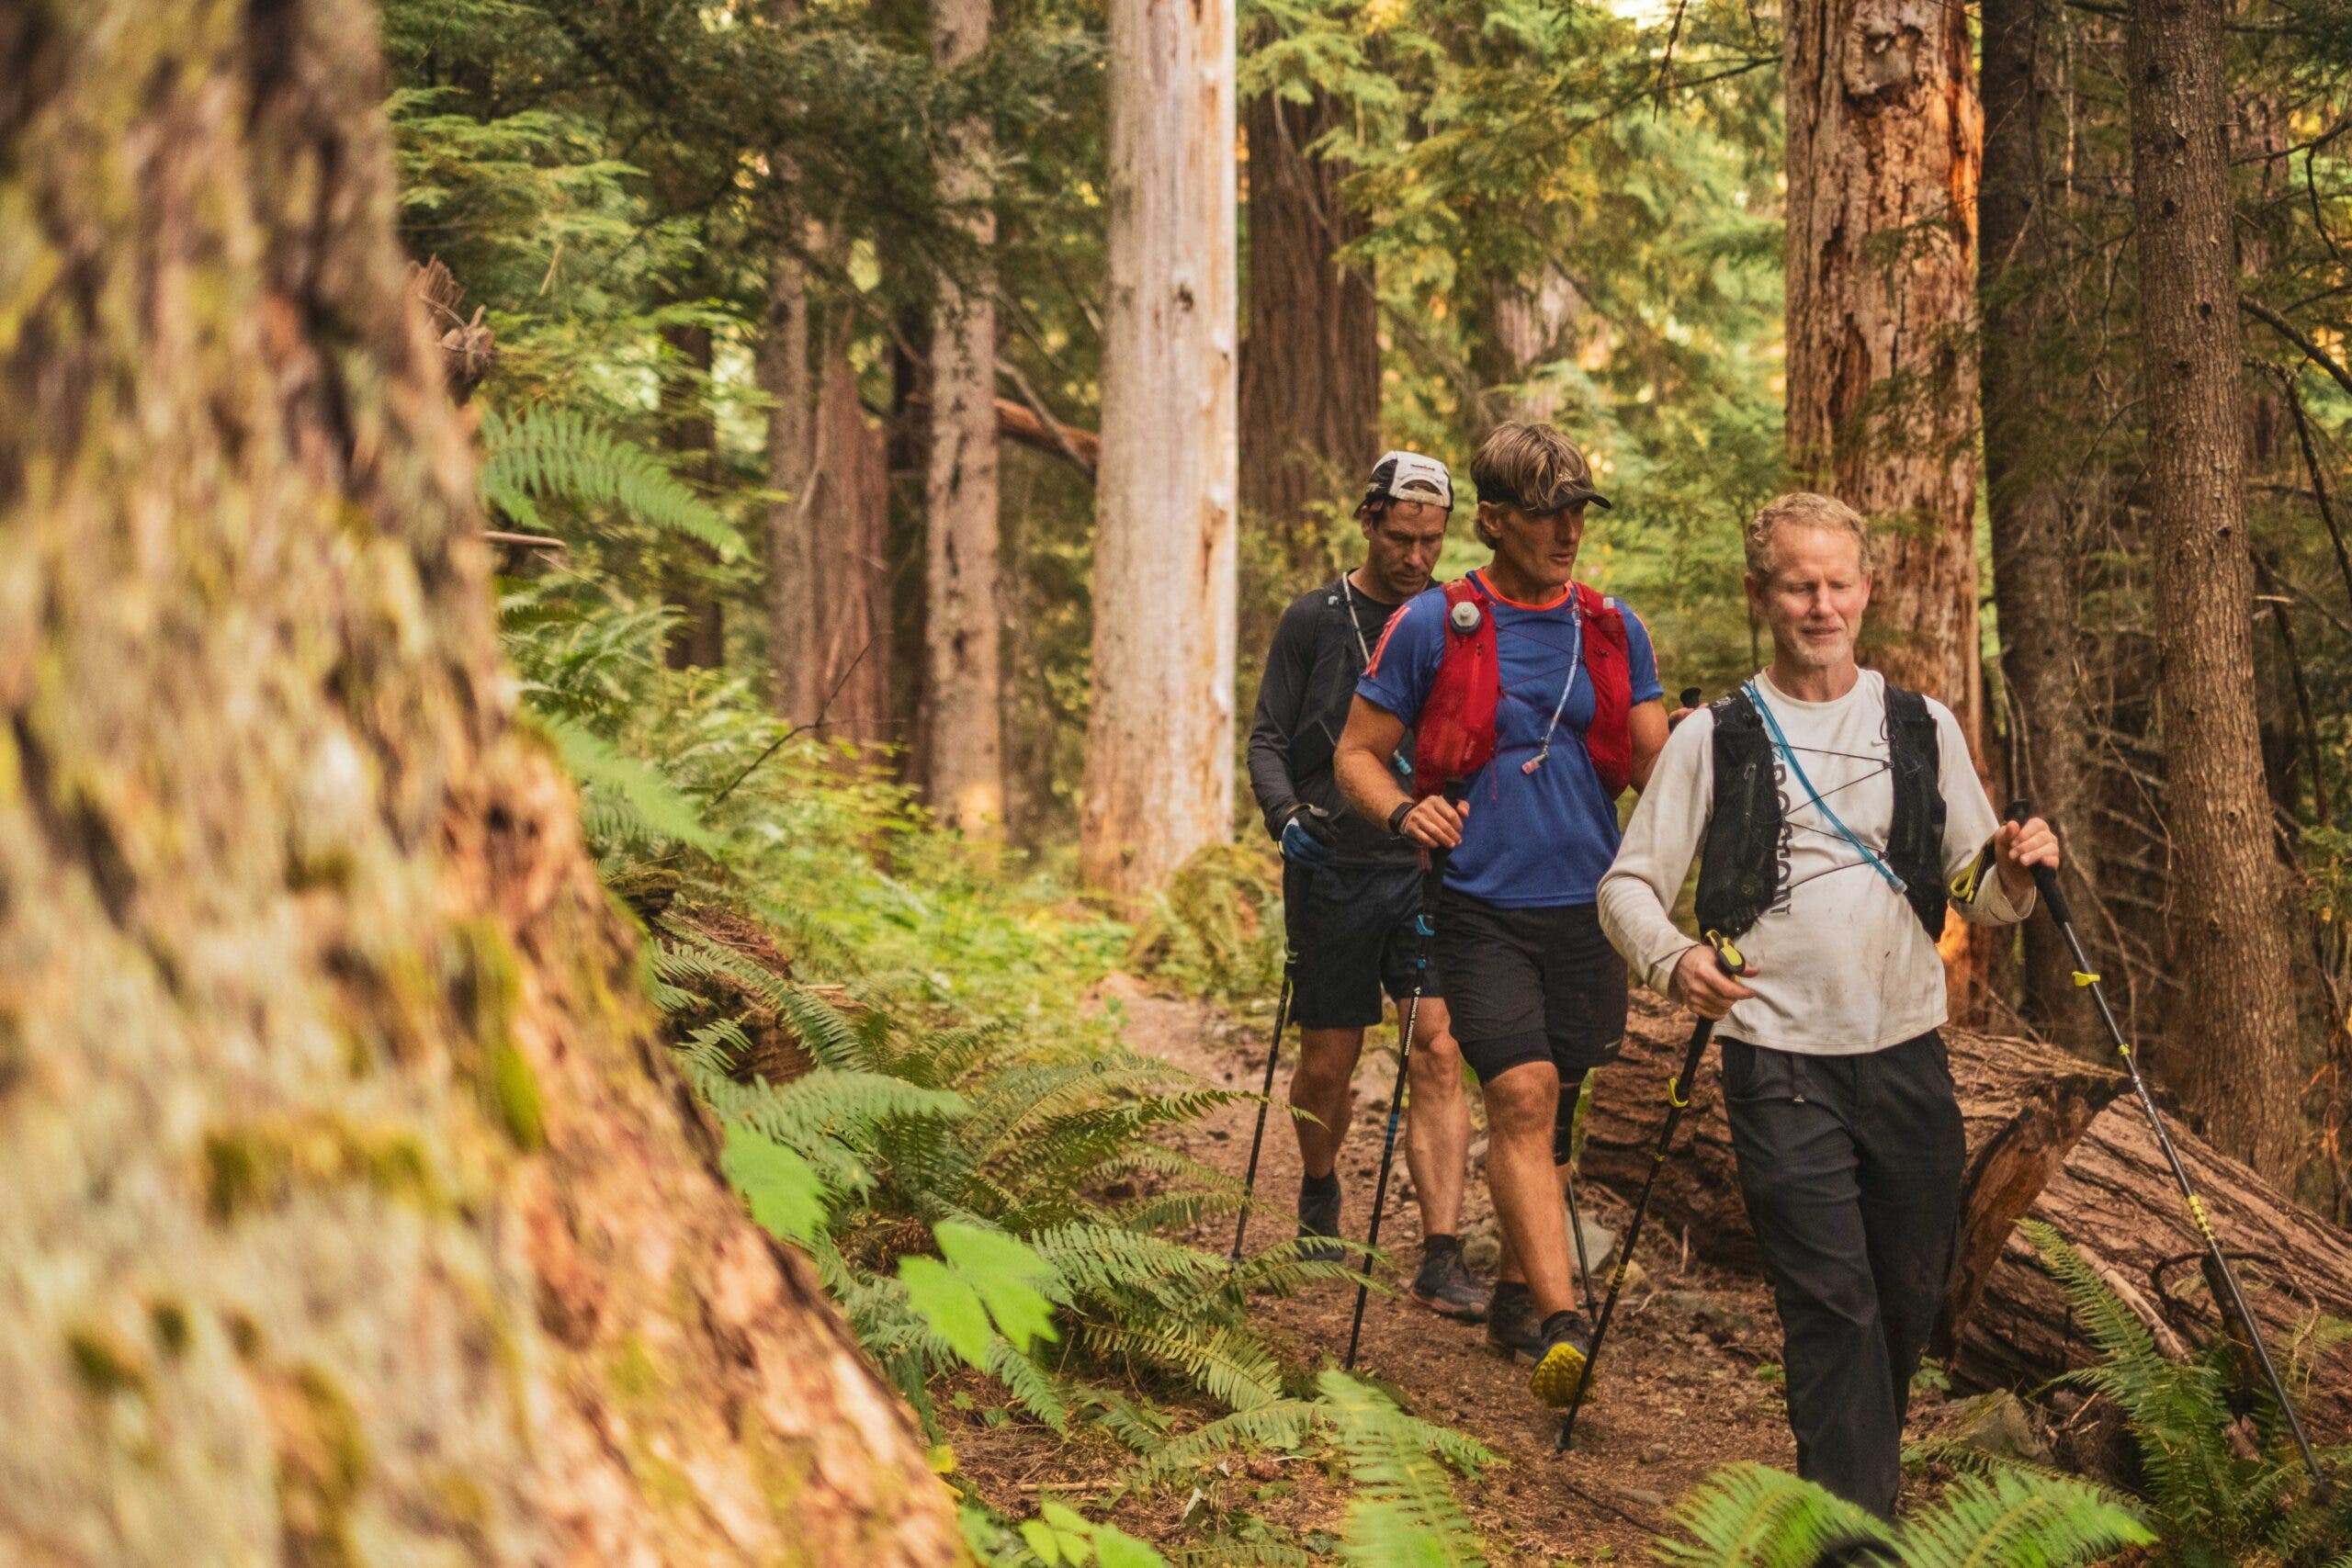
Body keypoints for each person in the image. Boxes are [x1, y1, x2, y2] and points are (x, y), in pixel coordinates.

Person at [1597, 491, 2059, 1521]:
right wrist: (1671, 962)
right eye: (1798, 585)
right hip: (1776, 1059)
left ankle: (1846, 1494)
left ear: (1865, 590)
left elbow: (1979, 888)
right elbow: (1625, 886)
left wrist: (2022, 871)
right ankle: (1856, 1542)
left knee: (1902, 1297)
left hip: (1904, 1053)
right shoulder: (1712, 736)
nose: (1820, 604)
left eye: (1836, 583)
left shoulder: (1919, 725)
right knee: (1831, 1308)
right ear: (1762, 595)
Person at [1333, 422, 1669, 1405]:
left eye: (1577, 511)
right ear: (1495, 520)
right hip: (1477, 902)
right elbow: (1357, 752)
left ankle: (1520, 1299)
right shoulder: (1435, 623)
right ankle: (1567, 1329)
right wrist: (1403, 808)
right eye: (1546, 514)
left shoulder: (1613, 627)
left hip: (1591, 908)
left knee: (1555, 1109)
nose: (1567, 530)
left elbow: (1655, 765)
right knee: (1517, 1095)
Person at [1245, 451, 1487, 1321]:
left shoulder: (1458, 620)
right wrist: (1286, 820)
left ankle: (1442, 1249)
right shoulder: (1315, 618)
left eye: (1432, 540)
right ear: (1369, 521)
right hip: (1333, 867)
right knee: (1330, 1063)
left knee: (1438, 1047)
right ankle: (1318, 1193)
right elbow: (1269, 737)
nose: (1417, 556)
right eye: (1401, 537)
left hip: (1426, 870)